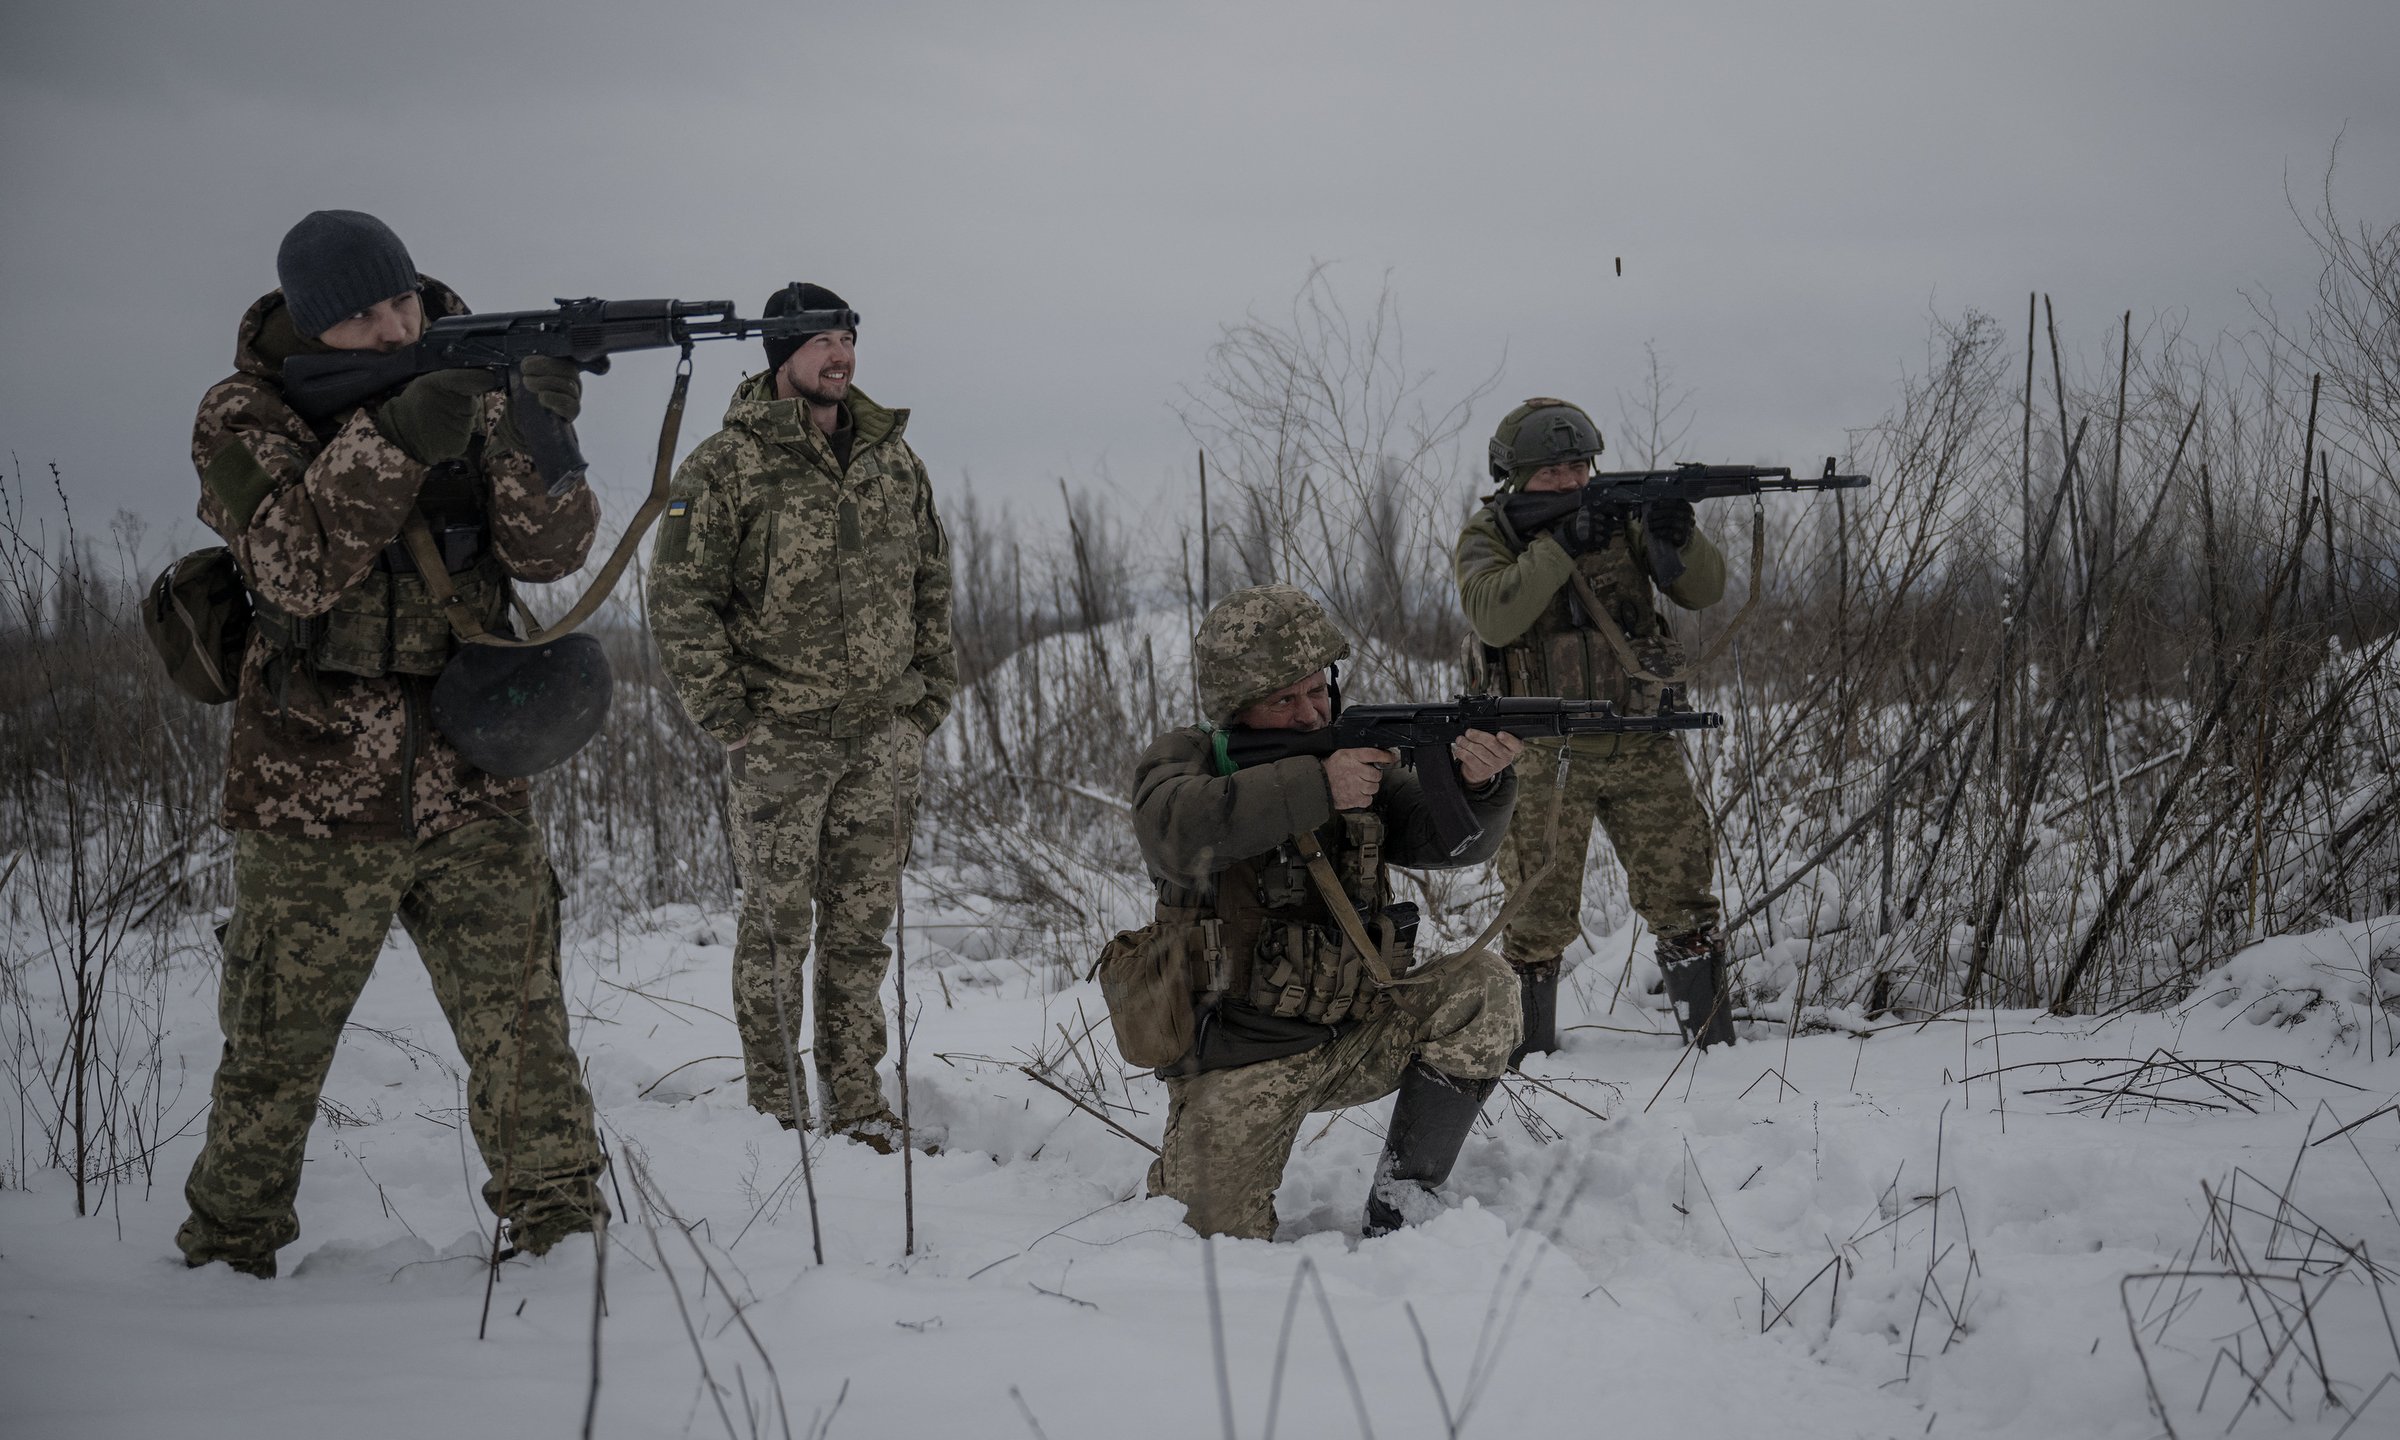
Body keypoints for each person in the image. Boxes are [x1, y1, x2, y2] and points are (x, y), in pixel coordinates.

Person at [178, 210, 607, 1276]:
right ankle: (227, 1255)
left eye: (402, 301)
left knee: (524, 1027)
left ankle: (565, 1243)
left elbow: (548, 553)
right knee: (276, 1049)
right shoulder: (245, 414)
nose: (393, 324)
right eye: (364, 315)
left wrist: (541, 435)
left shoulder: (478, 375)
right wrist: (401, 433)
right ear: (316, 329)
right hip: (312, 785)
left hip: (474, 768)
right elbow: (292, 569)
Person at [646, 283, 954, 1150]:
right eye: (822, 341)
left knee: (860, 934)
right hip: (779, 741)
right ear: (781, 354)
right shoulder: (726, 464)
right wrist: (726, 714)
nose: (841, 356)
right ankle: (776, 1114)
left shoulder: (894, 459)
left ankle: (856, 1103)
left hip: (881, 739)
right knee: (778, 932)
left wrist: (927, 698)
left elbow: (933, 580)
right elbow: (678, 598)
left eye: (848, 339)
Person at [1129, 585, 1524, 1240]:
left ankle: (1406, 1196)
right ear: (1236, 708)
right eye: (1283, 700)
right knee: (1208, 1241)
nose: (1311, 714)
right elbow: (1173, 831)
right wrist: (1317, 787)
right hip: (1239, 1058)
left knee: (1483, 987)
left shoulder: (1351, 753)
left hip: (1356, 1033)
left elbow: (1445, 839)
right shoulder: (1185, 759)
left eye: (1318, 690)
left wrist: (1479, 786)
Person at [1453, 397, 1735, 1055]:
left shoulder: (1622, 520)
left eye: (1580, 465)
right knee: (1536, 912)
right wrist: (1563, 544)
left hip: (1639, 738)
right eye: (1553, 471)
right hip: (1543, 748)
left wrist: (1675, 535)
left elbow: (1705, 589)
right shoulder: (1488, 536)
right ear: (1515, 477)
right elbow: (1494, 617)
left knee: (1684, 899)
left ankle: (1714, 1057)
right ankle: (1528, 1065)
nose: (1572, 480)